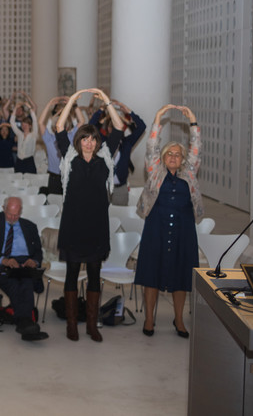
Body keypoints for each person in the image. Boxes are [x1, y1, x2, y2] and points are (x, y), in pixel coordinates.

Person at [55, 88, 125, 342]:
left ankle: (92, 325)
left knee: (94, 274)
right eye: (84, 138)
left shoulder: (105, 159)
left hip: (96, 225)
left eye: (92, 139)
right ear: (79, 141)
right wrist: (72, 101)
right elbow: (59, 127)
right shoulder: (70, 157)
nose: (88, 142)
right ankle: (72, 324)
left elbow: (118, 129)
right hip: (73, 224)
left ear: (97, 143)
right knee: (72, 273)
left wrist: (106, 101)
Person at [135, 104, 202, 338]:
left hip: (184, 230)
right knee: (151, 274)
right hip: (156, 228)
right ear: (163, 158)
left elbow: (196, 148)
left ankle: (180, 320)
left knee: (181, 276)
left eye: (177, 154)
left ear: (183, 159)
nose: (173, 157)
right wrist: (157, 119)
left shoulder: (189, 172)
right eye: (169, 154)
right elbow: (151, 146)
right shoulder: (155, 170)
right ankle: (150, 319)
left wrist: (193, 121)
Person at [0, 197, 48, 341]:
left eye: (16, 215)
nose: (13, 218)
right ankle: (26, 321)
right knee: (14, 281)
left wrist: (34, 261)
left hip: (24, 261)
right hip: (2, 262)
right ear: (3, 209)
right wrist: (4, 260)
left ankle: (24, 323)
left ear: (21, 211)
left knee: (25, 279)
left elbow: (38, 251)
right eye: (10, 214)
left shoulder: (30, 226)